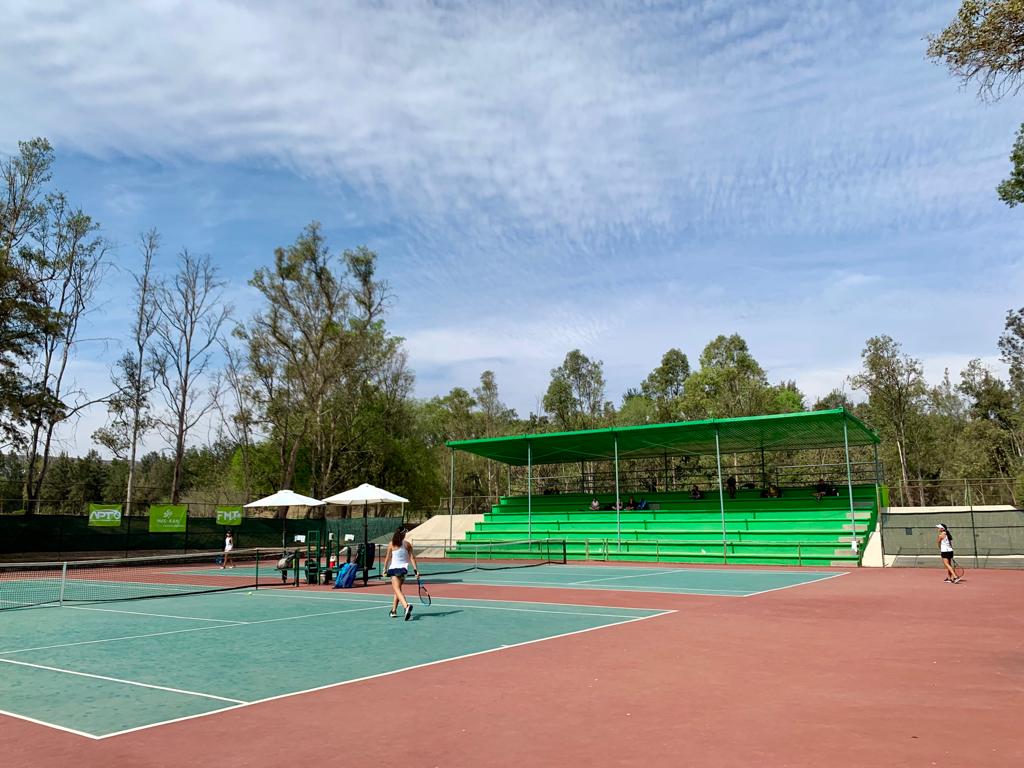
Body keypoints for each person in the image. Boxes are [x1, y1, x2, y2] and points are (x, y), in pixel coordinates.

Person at [382, 526, 420, 620]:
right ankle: (393, 610)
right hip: (403, 570)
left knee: (397, 589)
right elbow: (412, 558)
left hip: (394, 570)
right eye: (405, 533)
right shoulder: (408, 544)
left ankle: (406, 606)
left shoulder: (391, 544)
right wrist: (416, 571)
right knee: (397, 590)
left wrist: (384, 569)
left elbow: (387, 558)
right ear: (402, 534)